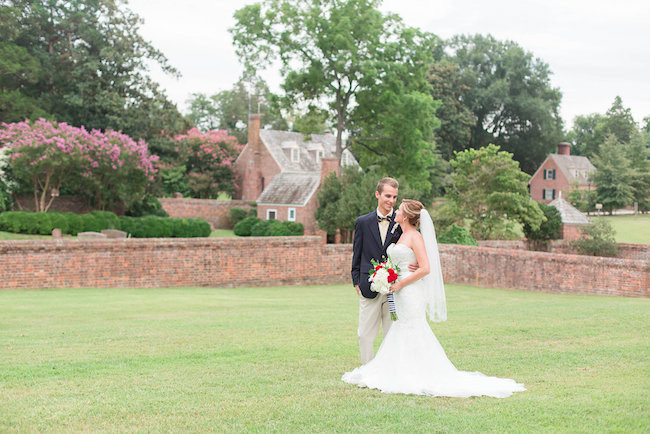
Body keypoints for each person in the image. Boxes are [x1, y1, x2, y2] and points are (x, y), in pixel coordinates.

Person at [343, 199, 526, 398]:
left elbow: (425, 268)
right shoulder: (402, 234)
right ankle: (399, 370)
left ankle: (418, 373)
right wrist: (388, 276)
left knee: (412, 328)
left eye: (399, 209)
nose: (395, 211)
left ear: (405, 216)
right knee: (399, 329)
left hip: (410, 292)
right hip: (399, 291)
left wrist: (401, 283)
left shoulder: (415, 237)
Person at [351, 178, 411, 365]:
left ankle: (388, 371)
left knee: (391, 333)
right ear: (377, 194)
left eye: (394, 197)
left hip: (395, 288)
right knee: (364, 335)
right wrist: (356, 282)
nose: (391, 200)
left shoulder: (402, 221)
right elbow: (357, 253)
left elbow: (412, 247)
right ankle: (367, 369)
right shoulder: (362, 222)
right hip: (369, 286)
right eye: (387, 196)